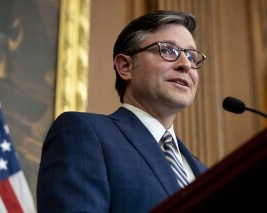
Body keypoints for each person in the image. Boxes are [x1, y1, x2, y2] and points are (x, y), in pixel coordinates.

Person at [37, 10, 208, 212]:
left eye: (191, 56)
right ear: (125, 66)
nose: (186, 64)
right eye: (168, 50)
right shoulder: (84, 133)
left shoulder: (204, 173)